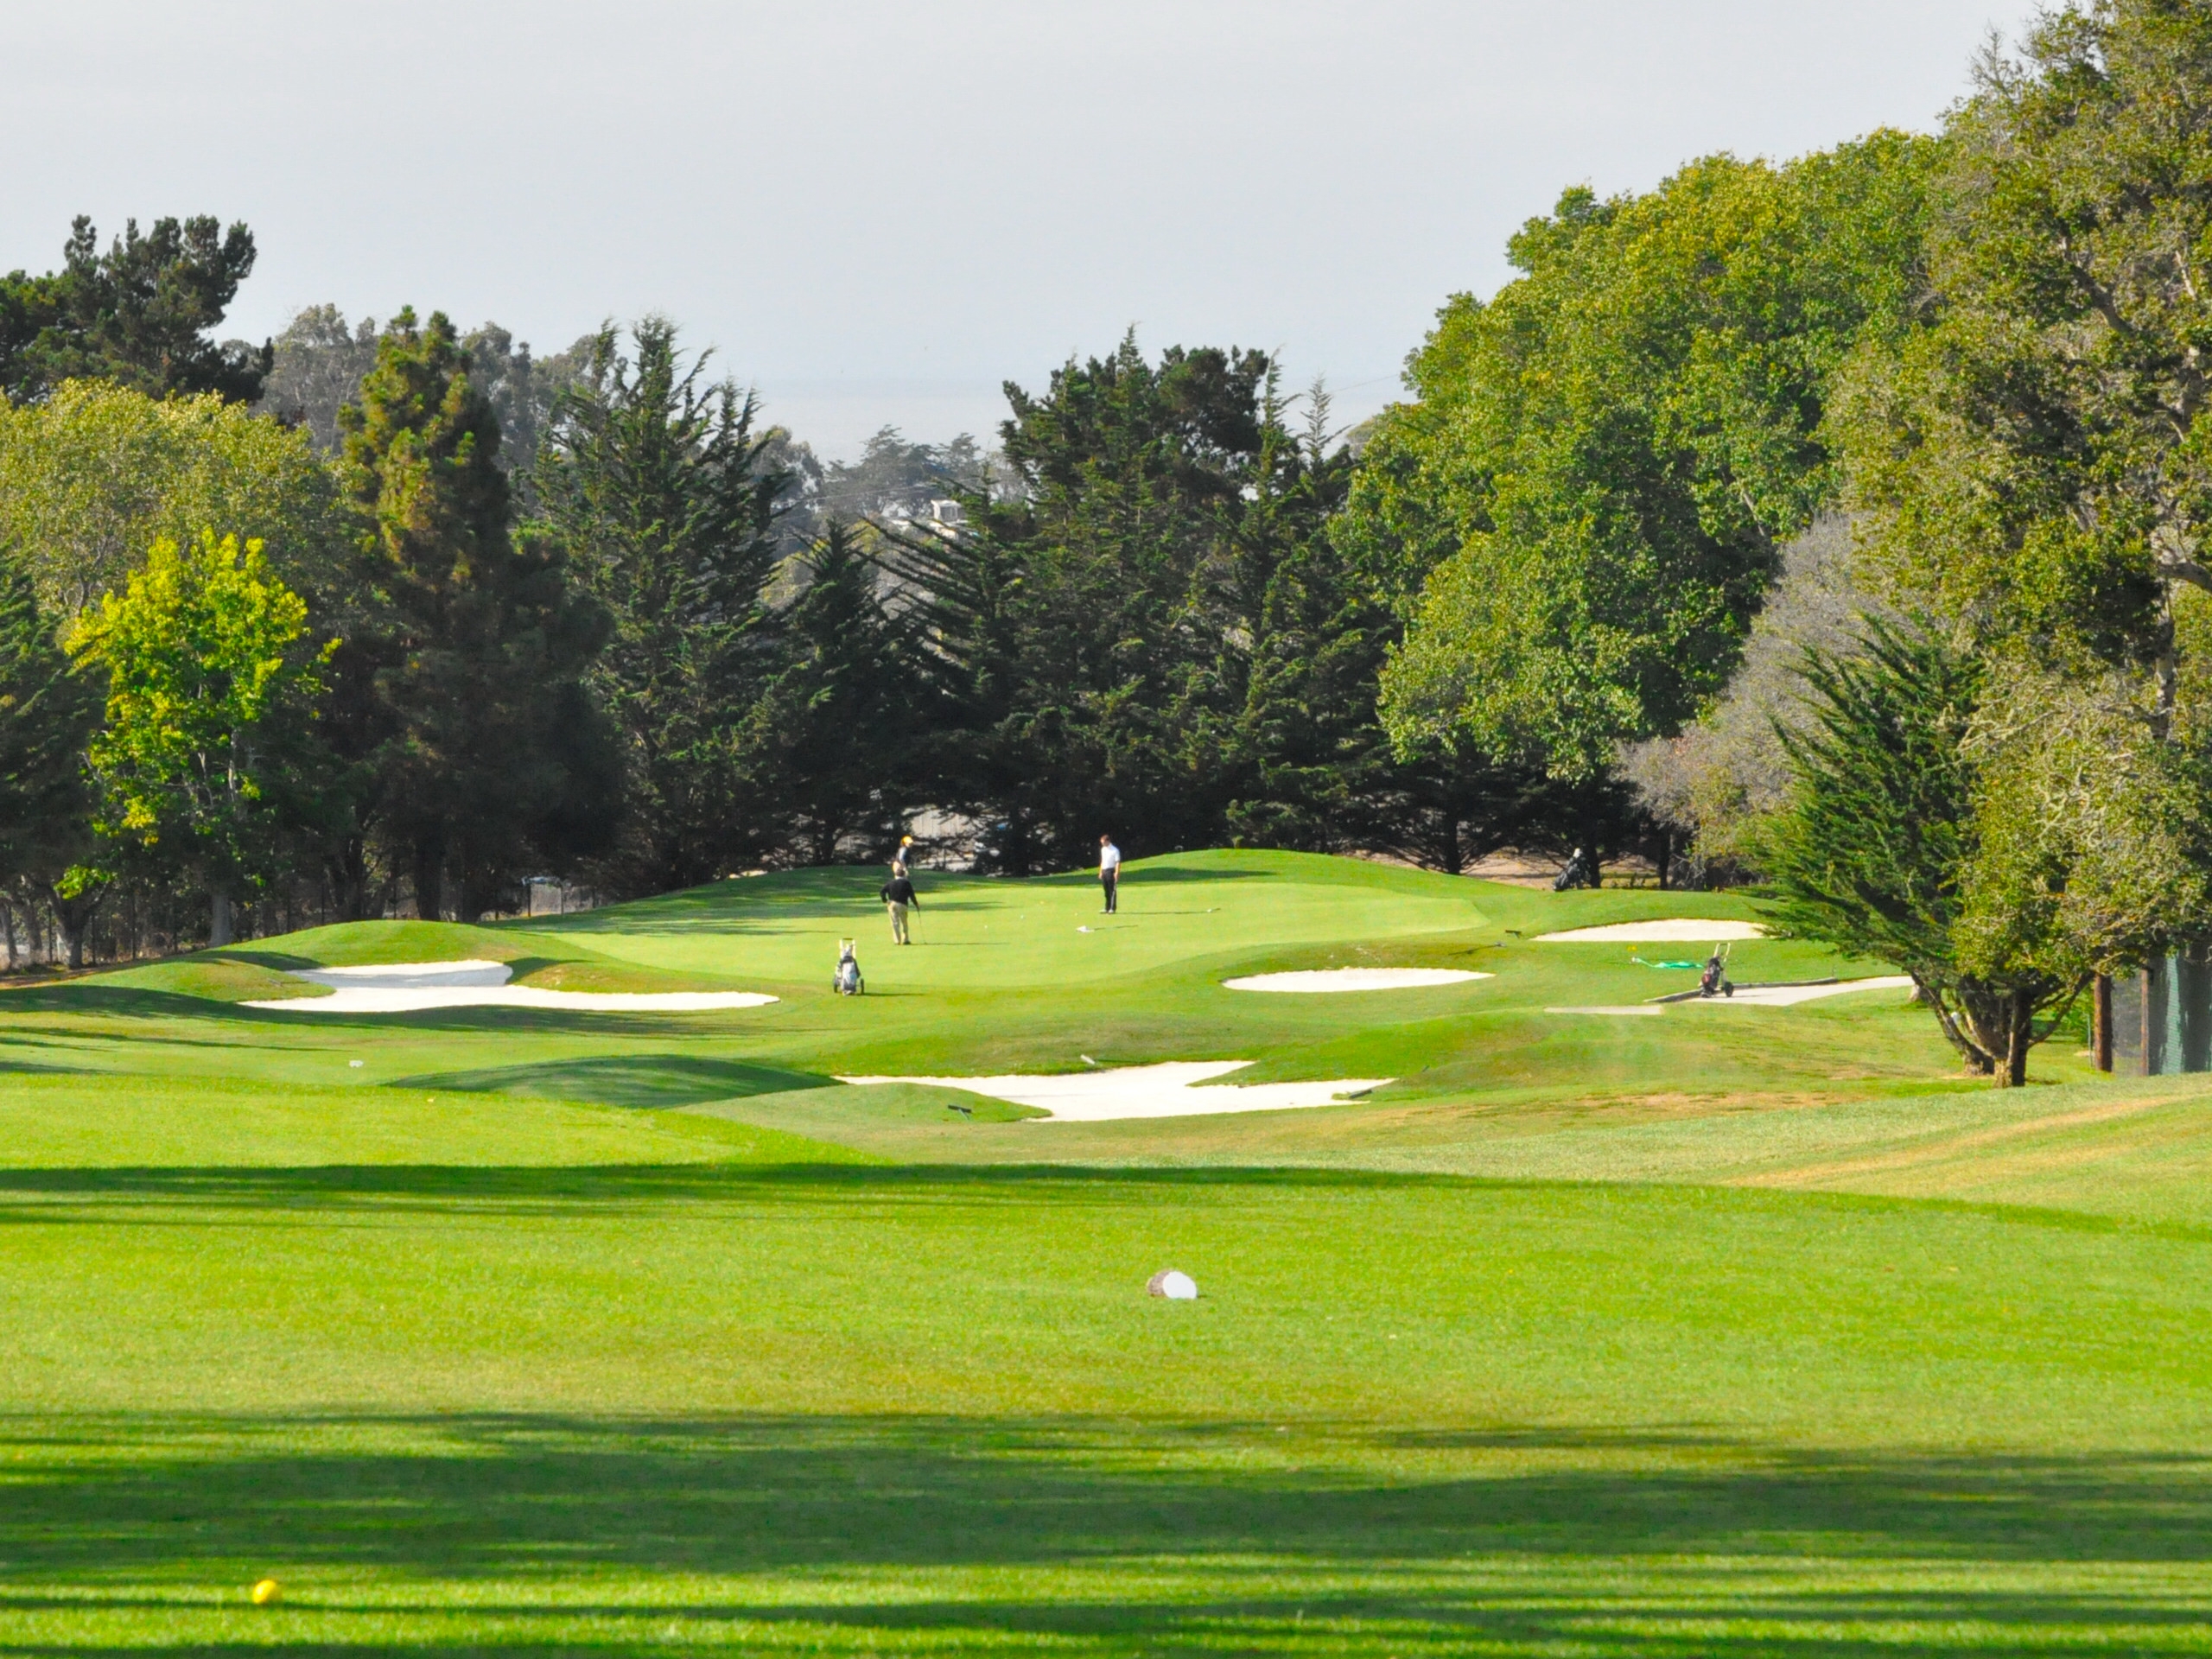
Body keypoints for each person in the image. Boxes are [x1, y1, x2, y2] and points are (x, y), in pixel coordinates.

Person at [880, 868, 919, 944]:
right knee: (904, 922)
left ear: (895, 875)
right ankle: (905, 939)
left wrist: (885, 900)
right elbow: (912, 895)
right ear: (904, 875)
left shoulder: (891, 882)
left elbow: (882, 891)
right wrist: (916, 904)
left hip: (892, 904)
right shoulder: (906, 883)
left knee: (895, 923)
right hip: (902, 904)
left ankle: (897, 940)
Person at [1098, 834, 1122, 913]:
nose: (1103, 844)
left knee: (1112, 890)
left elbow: (1118, 862)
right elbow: (1102, 861)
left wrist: (1117, 872)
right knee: (1106, 890)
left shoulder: (1115, 850)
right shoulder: (1103, 849)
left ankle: (1112, 908)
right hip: (1104, 870)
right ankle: (1107, 907)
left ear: (1108, 841)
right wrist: (1100, 872)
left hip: (1111, 871)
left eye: (1104, 842)